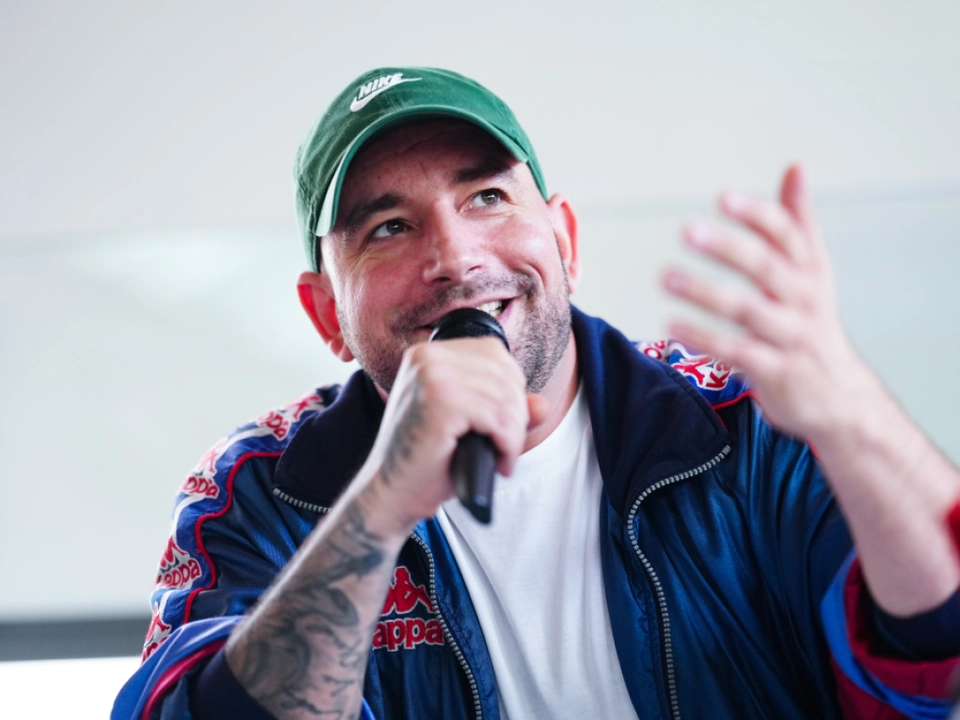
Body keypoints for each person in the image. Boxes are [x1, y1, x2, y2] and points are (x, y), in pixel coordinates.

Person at [113, 66, 960, 720]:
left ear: (565, 240)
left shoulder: (744, 423)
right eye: (390, 227)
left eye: (487, 196)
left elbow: (937, 655)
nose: (456, 256)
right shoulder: (258, 490)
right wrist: (378, 506)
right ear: (327, 314)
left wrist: (857, 416)